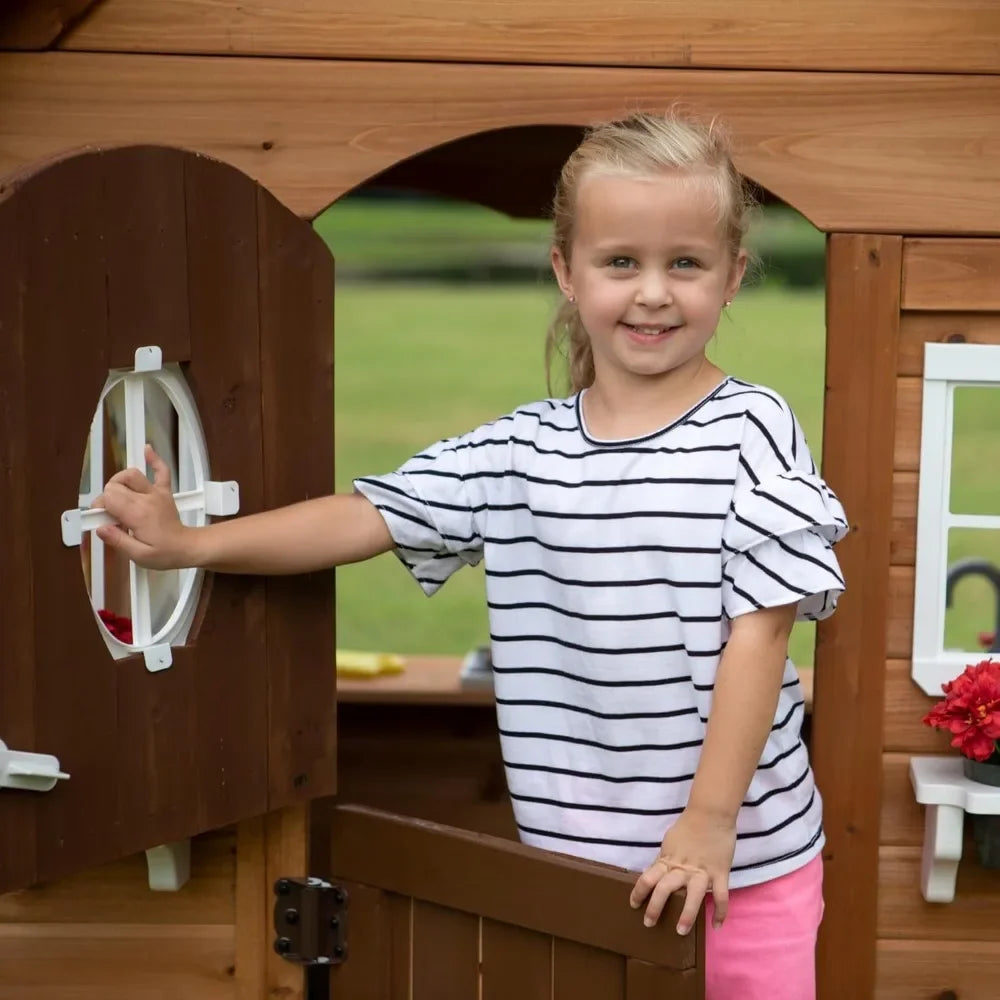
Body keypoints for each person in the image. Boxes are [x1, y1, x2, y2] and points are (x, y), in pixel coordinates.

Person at [95, 111, 847, 999]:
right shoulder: (519, 453)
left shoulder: (751, 430)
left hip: (741, 866)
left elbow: (760, 639)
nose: (653, 292)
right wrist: (193, 542)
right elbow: (363, 517)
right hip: (573, 877)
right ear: (567, 271)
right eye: (621, 262)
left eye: (685, 263)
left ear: (732, 279)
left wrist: (708, 823)